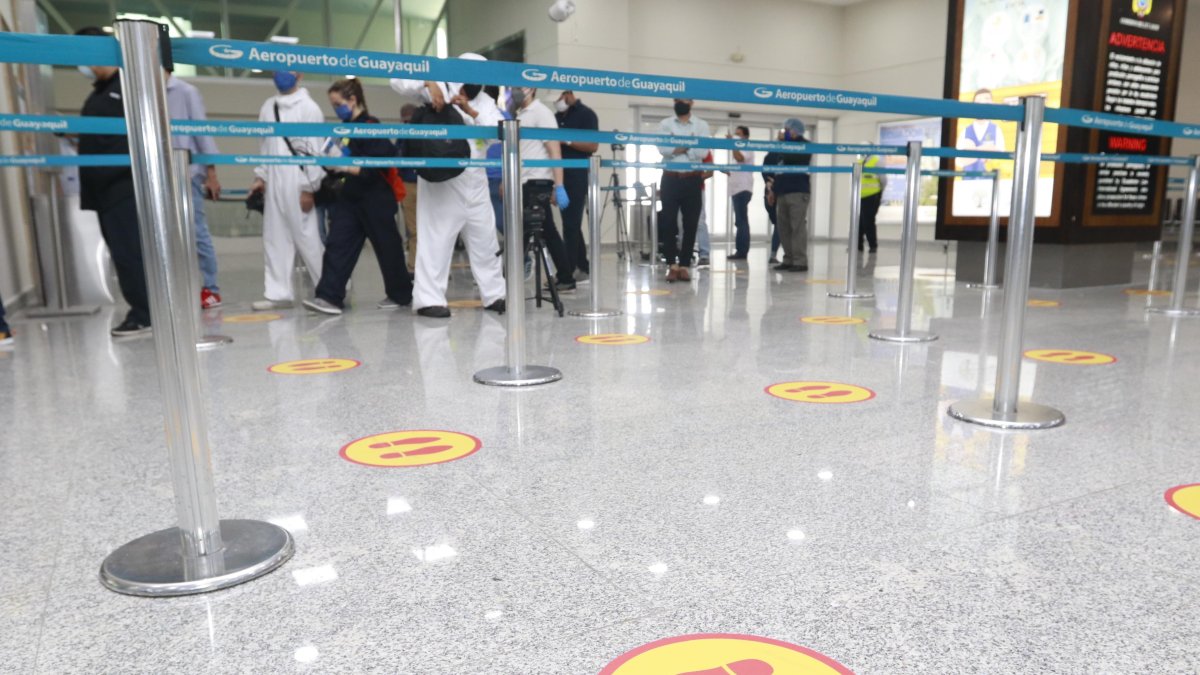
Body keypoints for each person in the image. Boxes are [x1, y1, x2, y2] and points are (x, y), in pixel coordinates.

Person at [389, 55, 507, 318]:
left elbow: (497, 131)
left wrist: (470, 112)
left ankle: (495, 294)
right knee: (435, 240)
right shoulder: (440, 83)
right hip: (442, 182)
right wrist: (428, 83)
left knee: (485, 241)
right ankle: (428, 299)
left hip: (475, 181)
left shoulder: (484, 101)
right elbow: (397, 78)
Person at [303, 79, 412, 315]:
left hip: (376, 198)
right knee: (338, 244)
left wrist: (343, 165)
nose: (336, 109)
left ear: (353, 100)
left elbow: (376, 167)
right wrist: (330, 165)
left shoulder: (372, 126)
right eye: (333, 105)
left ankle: (401, 294)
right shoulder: (344, 130)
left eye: (338, 103)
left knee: (387, 247)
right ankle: (329, 296)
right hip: (351, 196)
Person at [76, 27, 151, 338]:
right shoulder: (101, 91)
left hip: (122, 186)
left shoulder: (127, 87)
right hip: (105, 190)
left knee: (130, 253)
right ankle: (142, 308)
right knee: (124, 253)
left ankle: (144, 313)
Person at [248, 70, 326, 312]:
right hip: (274, 179)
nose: (282, 74)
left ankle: (328, 289)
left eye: (288, 69)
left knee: (308, 237)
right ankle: (278, 292)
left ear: (300, 74)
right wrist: (261, 176)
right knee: (275, 235)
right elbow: (265, 145)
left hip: (298, 179)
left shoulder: (310, 108)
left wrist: (309, 188)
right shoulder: (268, 106)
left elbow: (314, 151)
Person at [165, 70, 223, 309]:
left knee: (197, 233)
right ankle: (174, 289)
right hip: (160, 175)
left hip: (188, 173)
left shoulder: (186, 92)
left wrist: (211, 173)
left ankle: (211, 289)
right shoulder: (145, 93)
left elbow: (202, 132)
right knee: (167, 235)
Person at [507, 87, 574, 292]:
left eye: (519, 87)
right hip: (524, 181)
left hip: (536, 182)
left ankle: (512, 279)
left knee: (528, 231)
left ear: (532, 90)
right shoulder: (521, 114)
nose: (515, 91)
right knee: (546, 231)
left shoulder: (541, 113)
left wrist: (559, 185)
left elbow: (554, 149)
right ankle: (564, 276)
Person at [656, 98, 711, 282]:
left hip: (692, 179)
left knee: (691, 224)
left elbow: (702, 153)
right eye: (676, 99)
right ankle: (672, 265)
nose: (680, 101)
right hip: (670, 179)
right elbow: (663, 149)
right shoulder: (665, 124)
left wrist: (677, 146)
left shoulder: (702, 125)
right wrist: (690, 144)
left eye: (683, 99)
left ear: (691, 102)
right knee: (668, 223)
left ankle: (685, 265)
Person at [554, 90, 599, 281]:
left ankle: (568, 272)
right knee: (570, 222)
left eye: (558, 98)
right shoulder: (555, 117)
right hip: (559, 175)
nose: (557, 102)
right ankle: (583, 265)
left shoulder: (586, 115)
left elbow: (592, 146)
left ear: (568, 95)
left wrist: (568, 141)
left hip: (577, 175)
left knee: (571, 224)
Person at [762, 119, 812, 272]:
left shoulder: (805, 145)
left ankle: (800, 261)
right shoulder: (782, 148)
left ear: (795, 131)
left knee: (797, 227)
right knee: (783, 228)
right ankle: (789, 259)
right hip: (782, 191)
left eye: (786, 130)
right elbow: (778, 171)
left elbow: (796, 159)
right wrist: (773, 191)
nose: (784, 132)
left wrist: (785, 145)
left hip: (797, 191)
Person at [957, 88, 1005, 211]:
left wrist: (972, 151)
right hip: (967, 184)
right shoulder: (965, 131)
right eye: (979, 102)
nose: (983, 105)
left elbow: (1001, 158)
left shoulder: (997, 130)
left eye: (987, 100)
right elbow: (959, 161)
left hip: (991, 186)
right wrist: (984, 150)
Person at [725, 125, 755, 260]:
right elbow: (736, 169)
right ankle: (740, 250)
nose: (736, 137)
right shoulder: (739, 149)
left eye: (738, 135)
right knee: (740, 221)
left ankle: (742, 251)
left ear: (745, 137)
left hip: (742, 189)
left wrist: (732, 143)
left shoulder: (746, 147)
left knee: (741, 221)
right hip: (736, 189)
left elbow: (740, 158)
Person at [399, 103, 421, 272]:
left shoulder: (425, 134)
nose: (408, 125)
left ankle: (424, 266)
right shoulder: (402, 136)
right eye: (405, 121)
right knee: (413, 230)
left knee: (428, 228)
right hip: (408, 184)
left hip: (425, 184)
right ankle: (413, 266)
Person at [483, 86, 507, 236]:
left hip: (497, 178)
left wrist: (505, 179)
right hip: (481, 176)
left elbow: (512, 150)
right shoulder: (478, 116)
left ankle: (523, 258)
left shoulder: (503, 117)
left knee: (502, 222)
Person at [859, 151, 886, 253]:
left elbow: (883, 179)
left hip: (872, 196)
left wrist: (880, 192)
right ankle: (858, 245)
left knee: (868, 221)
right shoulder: (861, 160)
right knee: (859, 221)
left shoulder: (877, 160)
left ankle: (873, 245)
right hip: (860, 196)